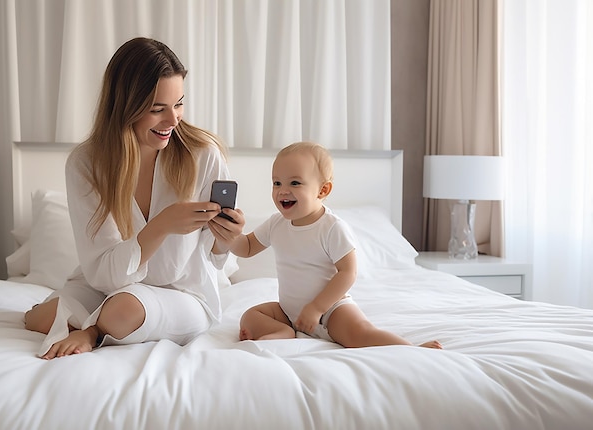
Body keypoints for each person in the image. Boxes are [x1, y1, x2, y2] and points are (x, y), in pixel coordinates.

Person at [24, 37, 244, 359]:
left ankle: (92, 330)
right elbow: (101, 273)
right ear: (125, 107)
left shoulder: (202, 155)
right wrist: (162, 225)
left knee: (123, 309)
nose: (173, 120)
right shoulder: (87, 164)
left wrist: (226, 239)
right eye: (158, 110)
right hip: (105, 284)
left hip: (182, 293)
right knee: (37, 317)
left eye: (179, 103)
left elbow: (213, 257)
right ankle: (94, 319)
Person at [230, 142, 441, 349]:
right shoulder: (276, 223)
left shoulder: (331, 227)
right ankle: (284, 333)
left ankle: (414, 348)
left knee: (360, 334)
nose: (282, 191)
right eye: (277, 183)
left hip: (331, 310)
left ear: (323, 190)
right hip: (290, 312)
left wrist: (317, 307)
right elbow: (247, 248)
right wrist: (229, 233)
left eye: (294, 183)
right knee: (251, 316)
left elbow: (348, 272)